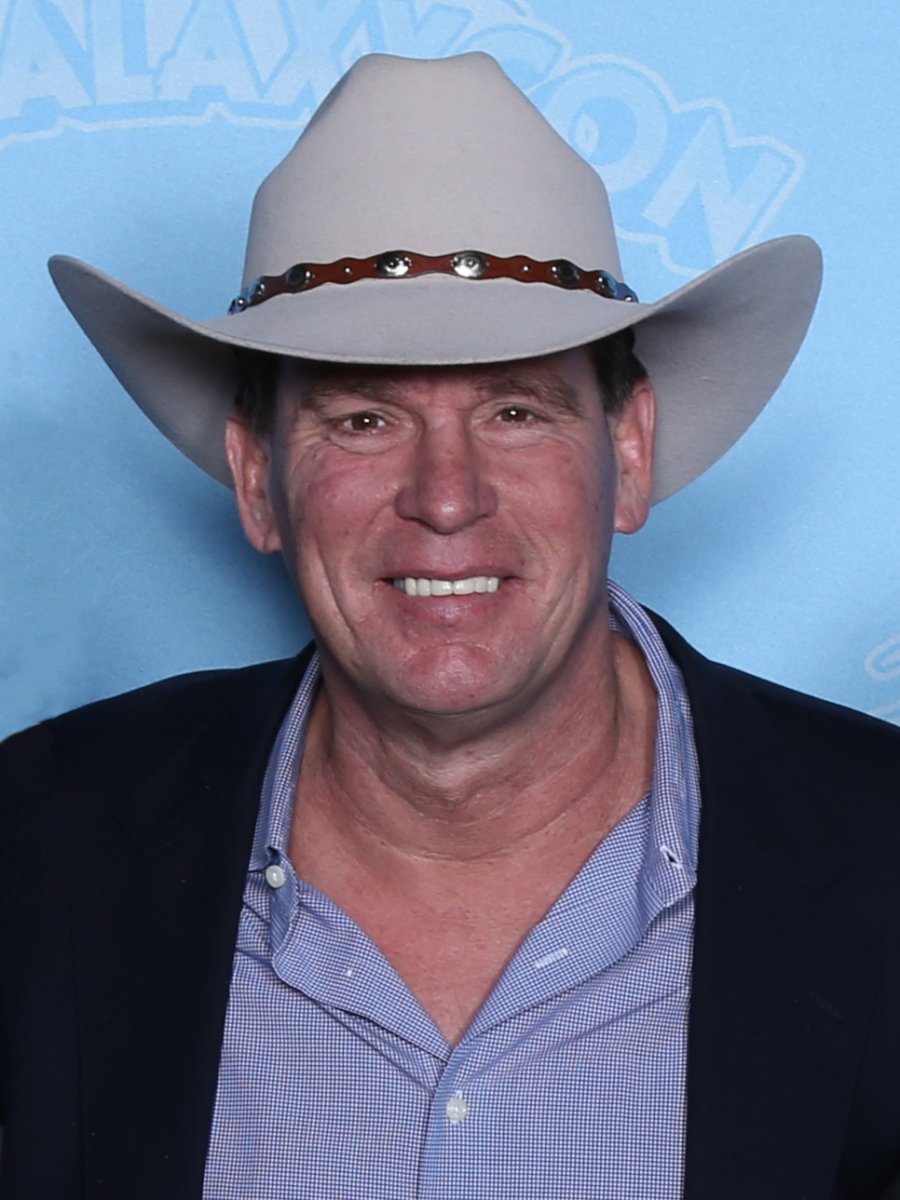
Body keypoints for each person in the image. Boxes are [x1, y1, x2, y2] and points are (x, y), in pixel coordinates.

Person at [2, 51, 899, 1200]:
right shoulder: (39, 848)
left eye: (517, 411)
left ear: (627, 454)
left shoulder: (881, 850)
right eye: (363, 419)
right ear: (256, 478)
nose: (445, 497)